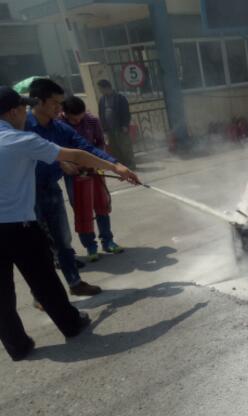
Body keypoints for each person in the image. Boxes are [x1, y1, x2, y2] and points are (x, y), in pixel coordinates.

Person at [0, 86, 139, 361]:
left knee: (1, 293)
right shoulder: (19, 139)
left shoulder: (33, 133)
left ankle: (17, 346)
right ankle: (71, 324)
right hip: (18, 227)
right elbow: (75, 154)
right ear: (14, 111)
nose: (26, 113)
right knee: (44, 280)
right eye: (23, 108)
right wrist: (115, 167)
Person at [26, 78, 136, 297]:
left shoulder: (59, 127)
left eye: (61, 102)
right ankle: (40, 295)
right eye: (55, 103)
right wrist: (60, 161)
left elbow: (85, 148)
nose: (59, 108)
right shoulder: (23, 127)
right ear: (38, 101)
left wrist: (116, 164)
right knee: (38, 247)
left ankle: (75, 283)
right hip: (26, 194)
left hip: (51, 189)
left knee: (63, 240)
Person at [61, 96, 123, 262]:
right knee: (82, 209)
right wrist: (67, 164)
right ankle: (90, 246)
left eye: (80, 117)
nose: (77, 121)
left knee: (102, 205)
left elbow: (99, 143)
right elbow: (56, 150)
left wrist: (97, 163)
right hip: (74, 174)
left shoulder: (92, 121)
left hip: (94, 169)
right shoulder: (58, 124)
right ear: (65, 113)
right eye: (73, 119)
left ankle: (108, 241)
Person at [97, 80, 136, 169]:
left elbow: (126, 112)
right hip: (109, 129)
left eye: (101, 89)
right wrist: (104, 128)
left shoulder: (120, 98)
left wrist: (125, 125)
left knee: (125, 147)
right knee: (115, 148)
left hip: (120, 127)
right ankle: (121, 166)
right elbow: (101, 114)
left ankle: (131, 165)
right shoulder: (102, 100)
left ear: (107, 87)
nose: (100, 91)